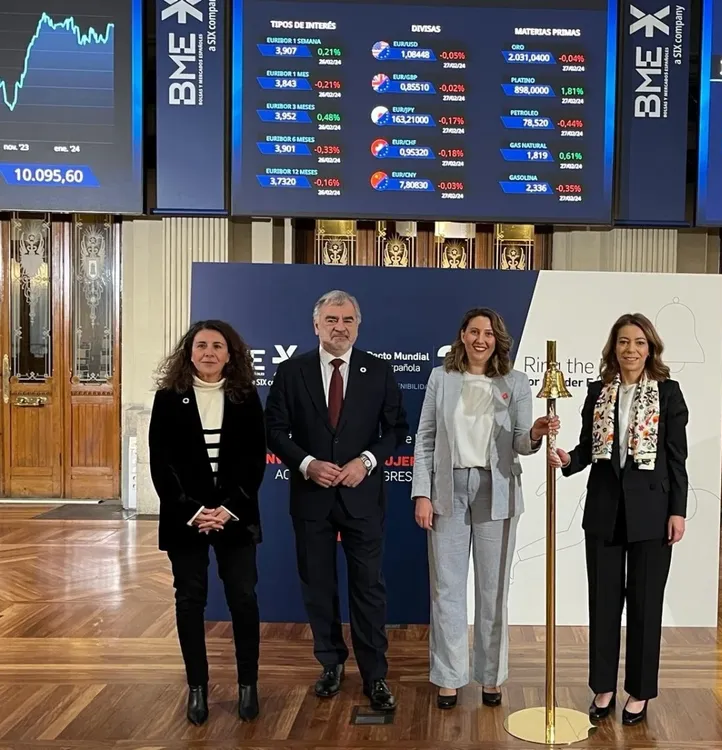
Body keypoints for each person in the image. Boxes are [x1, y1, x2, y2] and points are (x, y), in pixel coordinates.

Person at [264, 290, 408, 712]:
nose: (339, 327)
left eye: (347, 319)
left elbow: (396, 428)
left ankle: (374, 675)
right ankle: (330, 665)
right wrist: (306, 463)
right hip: (311, 498)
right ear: (316, 325)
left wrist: (366, 460)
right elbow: (273, 428)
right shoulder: (292, 372)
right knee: (318, 587)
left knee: (368, 588)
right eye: (331, 319)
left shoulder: (377, 371)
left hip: (363, 498)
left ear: (357, 326)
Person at [412, 308, 559, 709]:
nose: (481, 339)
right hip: (448, 491)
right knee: (447, 589)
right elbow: (425, 438)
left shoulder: (516, 383)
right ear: (462, 335)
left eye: (489, 333)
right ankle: (449, 677)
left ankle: (491, 677)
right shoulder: (441, 379)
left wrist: (535, 433)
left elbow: (522, 444)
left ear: (498, 340)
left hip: (497, 492)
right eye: (474, 331)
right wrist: (421, 493)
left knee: (493, 592)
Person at [549, 312, 688, 726]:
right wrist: (568, 460)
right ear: (614, 348)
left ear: (651, 349)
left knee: (646, 606)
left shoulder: (669, 393)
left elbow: (677, 459)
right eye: (624, 342)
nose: (631, 350)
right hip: (605, 512)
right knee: (604, 603)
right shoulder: (598, 392)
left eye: (639, 343)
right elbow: (588, 448)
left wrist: (677, 511)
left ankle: (640, 692)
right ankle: (603, 687)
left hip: (652, 513)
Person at [149, 320, 266, 726]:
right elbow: (160, 465)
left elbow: (254, 462)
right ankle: (197, 688)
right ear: (189, 352)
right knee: (189, 601)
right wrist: (194, 511)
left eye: (218, 346)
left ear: (230, 354)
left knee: (244, 600)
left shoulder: (246, 397)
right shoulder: (168, 398)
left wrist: (228, 508)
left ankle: (247, 686)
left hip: (236, 516)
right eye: (201, 346)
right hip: (187, 519)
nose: (209, 352)